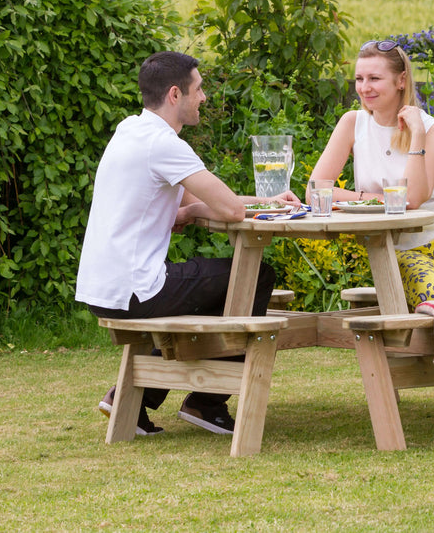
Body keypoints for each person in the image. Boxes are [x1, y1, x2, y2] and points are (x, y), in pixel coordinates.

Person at [76, 51, 299, 436]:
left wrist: (269, 203)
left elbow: (196, 201)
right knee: (255, 277)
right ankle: (206, 402)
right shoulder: (164, 144)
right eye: (199, 89)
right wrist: (204, 211)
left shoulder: (131, 130)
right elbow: (228, 209)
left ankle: (132, 398)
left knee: (214, 283)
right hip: (135, 290)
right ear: (176, 94)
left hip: (106, 288)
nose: (204, 97)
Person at [310, 38, 434, 427]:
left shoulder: (433, 130)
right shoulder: (352, 123)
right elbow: (317, 188)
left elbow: (413, 198)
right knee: (433, 302)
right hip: (402, 246)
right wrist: (372, 196)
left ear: (401, 81)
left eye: (375, 78)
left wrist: (414, 135)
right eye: (360, 78)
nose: (364, 87)